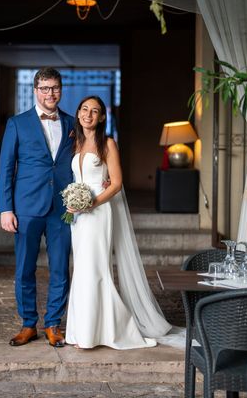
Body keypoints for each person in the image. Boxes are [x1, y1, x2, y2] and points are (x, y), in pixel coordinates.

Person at [65, 95, 173, 350]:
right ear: (78, 113)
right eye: (84, 109)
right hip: (77, 216)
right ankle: (83, 330)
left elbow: (116, 183)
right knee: (81, 268)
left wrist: (91, 202)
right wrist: (73, 201)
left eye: (94, 111)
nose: (88, 114)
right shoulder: (76, 143)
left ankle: (103, 331)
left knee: (95, 269)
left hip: (98, 211)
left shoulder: (108, 144)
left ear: (102, 117)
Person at [0, 67, 74, 348]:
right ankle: (28, 324)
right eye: (44, 88)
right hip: (27, 206)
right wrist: (6, 209)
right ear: (35, 91)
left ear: (60, 90)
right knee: (24, 269)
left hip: (63, 208)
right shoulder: (18, 123)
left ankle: (53, 323)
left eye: (54, 88)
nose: (50, 93)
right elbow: (6, 168)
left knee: (60, 269)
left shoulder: (72, 123)